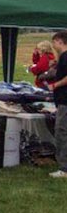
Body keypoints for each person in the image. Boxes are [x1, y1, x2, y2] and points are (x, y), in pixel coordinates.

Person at [48, 31, 67, 178]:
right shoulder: (62, 58)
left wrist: (56, 85)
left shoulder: (66, 56)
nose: (53, 46)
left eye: (54, 42)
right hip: (62, 100)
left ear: (60, 41)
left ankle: (64, 168)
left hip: (64, 100)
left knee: (61, 132)